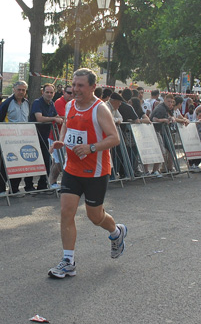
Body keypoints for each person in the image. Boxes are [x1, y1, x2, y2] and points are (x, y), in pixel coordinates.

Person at [48, 68, 125, 279]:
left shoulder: (100, 109)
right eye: (74, 85)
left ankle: (116, 232)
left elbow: (114, 138)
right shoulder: (71, 105)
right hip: (72, 169)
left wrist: (91, 148)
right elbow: (67, 125)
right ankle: (68, 261)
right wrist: (61, 141)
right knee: (66, 212)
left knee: (95, 216)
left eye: (80, 85)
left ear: (92, 87)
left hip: (96, 172)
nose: (75, 89)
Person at [0, 81, 31, 195]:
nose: (21, 92)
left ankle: (14, 188)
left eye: (23, 90)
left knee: (19, 164)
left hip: (22, 138)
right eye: (19, 89)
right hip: (8, 139)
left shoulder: (26, 103)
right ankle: (0, 189)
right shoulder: (7, 103)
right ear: (14, 90)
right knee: (4, 164)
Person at [29, 83, 63, 190]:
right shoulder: (37, 103)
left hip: (45, 137)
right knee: (32, 162)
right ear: (42, 92)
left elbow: (56, 116)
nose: (49, 94)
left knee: (47, 161)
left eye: (51, 92)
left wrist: (63, 119)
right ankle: (28, 186)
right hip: (33, 136)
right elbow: (39, 118)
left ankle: (42, 185)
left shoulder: (51, 103)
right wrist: (54, 119)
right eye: (47, 92)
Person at [49, 85, 73, 187]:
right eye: (69, 93)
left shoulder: (72, 103)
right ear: (64, 92)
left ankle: (51, 181)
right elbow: (64, 118)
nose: (71, 95)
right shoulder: (59, 102)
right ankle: (52, 182)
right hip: (55, 136)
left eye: (73, 93)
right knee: (59, 161)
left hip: (63, 136)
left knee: (57, 161)